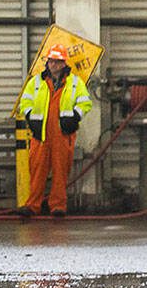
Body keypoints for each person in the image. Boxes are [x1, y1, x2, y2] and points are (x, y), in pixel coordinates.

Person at [17, 45, 93, 218]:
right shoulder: (36, 82)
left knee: (60, 172)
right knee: (37, 171)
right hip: (40, 134)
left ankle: (58, 207)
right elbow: (25, 102)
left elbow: (85, 102)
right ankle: (32, 206)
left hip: (62, 133)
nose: (53, 65)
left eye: (57, 62)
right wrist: (30, 117)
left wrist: (75, 116)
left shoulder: (75, 83)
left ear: (63, 63)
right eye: (51, 61)